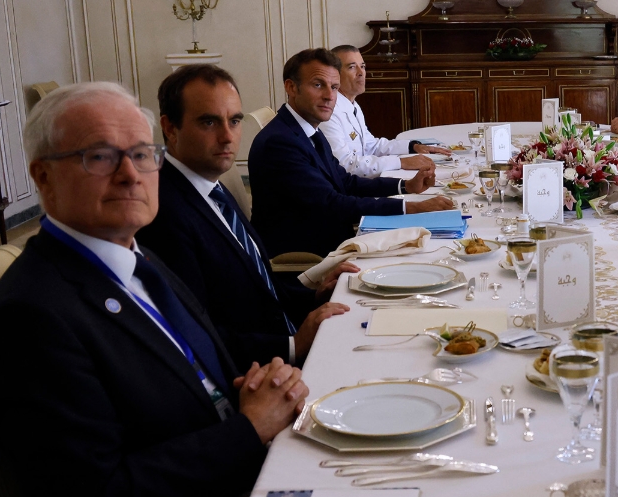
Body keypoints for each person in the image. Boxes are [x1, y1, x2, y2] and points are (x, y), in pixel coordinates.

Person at [0, 82, 308, 497]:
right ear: (44, 176)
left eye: (143, 154)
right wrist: (248, 430)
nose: (130, 175)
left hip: (230, 490)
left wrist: (262, 382)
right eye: (100, 156)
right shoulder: (29, 319)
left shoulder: (136, 258)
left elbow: (202, 365)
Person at [137, 64, 356, 371]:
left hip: (283, 338)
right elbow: (193, 333)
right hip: (261, 370)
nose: (228, 137)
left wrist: (313, 295)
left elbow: (257, 286)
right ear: (170, 128)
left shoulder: (212, 187)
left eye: (235, 120)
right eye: (209, 122)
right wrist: (294, 346)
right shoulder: (163, 213)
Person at [249, 48, 454, 257]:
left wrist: (406, 186)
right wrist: (410, 208)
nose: (329, 96)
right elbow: (331, 203)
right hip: (309, 251)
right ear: (291, 87)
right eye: (318, 85)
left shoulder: (308, 129)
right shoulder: (280, 142)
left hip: (331, 233)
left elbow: (345, 182)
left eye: (334, 87)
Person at [321, 44, 451, 177]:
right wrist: (400, 162)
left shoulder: (353, 105)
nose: (361, 73)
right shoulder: (328, 113)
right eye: (352, 67)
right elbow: (346, 166)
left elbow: (371, 146)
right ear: (334, 75)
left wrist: (413, 147)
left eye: (363, 66)